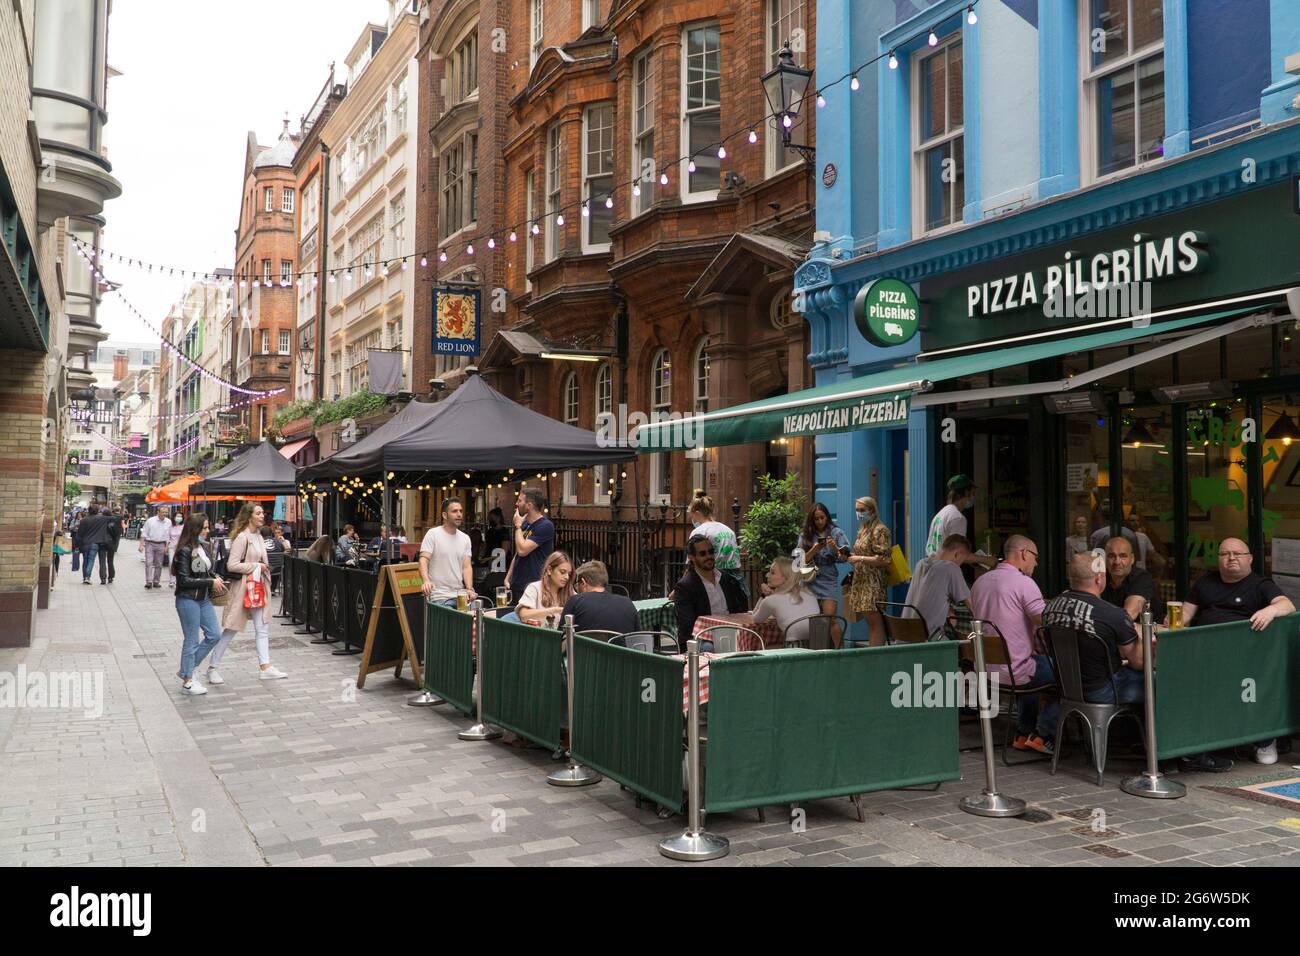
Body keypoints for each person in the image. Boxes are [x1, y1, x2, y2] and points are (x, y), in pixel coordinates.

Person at [1181, 536, 1295, 767]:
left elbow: (1288, 605)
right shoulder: (1205, 582)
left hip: (1247, 659)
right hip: (1206, 658)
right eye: (1225, 554)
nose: (1231, 558)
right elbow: (1183, 617)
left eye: (1237, 554)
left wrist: (1270, 611)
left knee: (1257, 691)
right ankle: (1200, 746)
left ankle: (1265, 741)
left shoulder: (1260, 584)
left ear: (1250, 559)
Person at [969, 535, 1053, 753]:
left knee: (1033, 663)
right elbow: (1045, 621)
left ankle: (1023, 733)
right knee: (1070, 671)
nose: (1036, 563)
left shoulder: (980, 582)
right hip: (1015, 671)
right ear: (1024, 553)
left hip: (986, 670)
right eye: (1035, 557)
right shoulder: (1024, 583)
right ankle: (1043, 734)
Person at [1042, 551, 1142, 710]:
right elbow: (1138, 662)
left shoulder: (1050, 608)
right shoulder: (1112, 614)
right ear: (1099, 578)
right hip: (1102, 691)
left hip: (1065, 688)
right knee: (1157, 681)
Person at [207, 502, 287, 684]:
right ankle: (213, 667)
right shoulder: (242, 538)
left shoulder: (258, 536)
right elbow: (232, 565)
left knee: (262, 627)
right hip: (243, 589)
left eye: (262, 513)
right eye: (258, 513)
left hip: (258, 587)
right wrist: (256, 566)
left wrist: (263, 568)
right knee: (231, 628)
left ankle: (265, 667)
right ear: (249, 516)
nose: (262, 516)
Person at [173, 513, 229, 696]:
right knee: (192, 639)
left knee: (214, 635)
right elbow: (184, 580)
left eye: (207, 527)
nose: (207, 531)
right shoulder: (184, 550)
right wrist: (210, 582)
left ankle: (187, 669)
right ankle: (188, 681)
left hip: (203, 599)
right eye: (204, 528)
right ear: (194, 529)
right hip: (188, 599)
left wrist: (213, 577)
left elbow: (202, 571)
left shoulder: (202, 547)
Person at [673, 533, 747, 649]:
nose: (709, 556)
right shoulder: (685, 587)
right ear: (692, 557)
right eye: (703, 553)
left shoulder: (727, 579)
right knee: (709, 647)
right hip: (703, 637)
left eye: (711, 552)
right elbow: (688, 626)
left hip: (733, 632)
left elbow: (740, 610)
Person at [799, 503, 851, 646]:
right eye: (816, 519)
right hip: (809, 580)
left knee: (831, 618)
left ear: (827, 517)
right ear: (812, 520)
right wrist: (814, 549)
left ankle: (840, 652)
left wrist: (835, 549)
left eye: (823, 518)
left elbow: (845, 557)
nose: (820, 521)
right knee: (811, 619)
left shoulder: (836, 532)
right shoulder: (806, 535)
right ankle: (815, 650)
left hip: (828, 579)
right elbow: (799, 561)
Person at [902, 534, 972, 640]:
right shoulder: (951, 568)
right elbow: (970, 604)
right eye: (961, 562)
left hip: (905, 635)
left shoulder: (921, 564)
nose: (960, 565)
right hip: (930, 639)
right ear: (957, 554)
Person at [845, 496, 891, 647]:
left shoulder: (880, 530)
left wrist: (860, 558)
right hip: (861, 579)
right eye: (857, 510)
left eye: (862, 510)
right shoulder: (863, 530)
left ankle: (876, 654)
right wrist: (850, 557)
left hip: (873, 581)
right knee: (868, 619)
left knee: (874, 619)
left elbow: (884, 559)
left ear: (871, 510)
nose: (859, 513)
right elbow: (861, 553)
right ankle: (872, 652)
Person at [925, 475, 998, 569]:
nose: (973, 498)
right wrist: (986, 560)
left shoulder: (941, 513)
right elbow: (959, 553)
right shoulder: (957, 518)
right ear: (966, 493)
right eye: (973, 493)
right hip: (944, 570)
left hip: (933, 567)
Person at [688, 490, 746, 599]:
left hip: (716, 584)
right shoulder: (728, 530)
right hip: (737, 582)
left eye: (692, 515)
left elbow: (692, 564)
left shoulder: (699, 532)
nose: (692, 519)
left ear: (697, 513)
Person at [752, 556, 821, 645]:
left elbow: (756, 619)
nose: (767, 575)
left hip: (793, 648)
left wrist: (763, 595)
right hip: (818, 646)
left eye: (772, 573)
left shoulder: (771, 600)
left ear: (786, 578)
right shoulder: (810, 593)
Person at [419, 498, 475, 606]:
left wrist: (469, 588)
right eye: (454, 511)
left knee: (477, 617)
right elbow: (423, 560)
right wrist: (426, 581)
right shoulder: (433, 534)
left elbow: (466, 567)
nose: (459, 514)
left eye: (461, 511)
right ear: (444, 515)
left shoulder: (465, 538)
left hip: (460, 595)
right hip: (439, 596)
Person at [561, 560, 638, 636]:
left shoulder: (575, 601)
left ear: (583, 582)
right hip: (621, 648)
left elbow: (561, 637)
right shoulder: (627, 603)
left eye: (577, 585)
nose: (577, 589)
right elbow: (638, 638)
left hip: (585, 648)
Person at [1101, 535, 1164, 624]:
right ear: (1105, 559)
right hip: (1117, 633)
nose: (1117, 562)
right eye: (1111, 556)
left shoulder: (1142, 578)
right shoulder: (1101, 578)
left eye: (1123, 556)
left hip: (1150, 635)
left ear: (1132, 559)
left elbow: (1128, 616)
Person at [506, 488, 554, 595]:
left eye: (519, 501)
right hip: (517, 584)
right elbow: (518, 553)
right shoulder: (525, 524)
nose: (516, 503)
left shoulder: (545, 526)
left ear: (529, 505)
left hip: (534, 585)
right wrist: (508, 577)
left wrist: (518, 526)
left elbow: (523, 550)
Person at [517, 551, 575, 628]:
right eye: (562, 572)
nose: (567, 577)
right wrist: (553, 610)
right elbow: (523, 615)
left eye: (569, 574)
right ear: (549, 570)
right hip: (537, 638)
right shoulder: (534, 588)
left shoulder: (570, 592)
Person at [77, 504, 112, 585]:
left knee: (85, 560)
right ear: (97, 511)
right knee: (91, 560)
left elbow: (79, 534)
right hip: (95, 543)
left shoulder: (83, 520)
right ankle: (87, 577)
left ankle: (85, 577)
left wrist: (78, 544)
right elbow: (115, 518)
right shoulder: (102, 518)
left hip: (85, 543)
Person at [139, 506, 172, 589]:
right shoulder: (150, 521)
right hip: (150, 543)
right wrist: (141, 545)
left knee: (159, 564)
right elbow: (144, 533)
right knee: (149, 563)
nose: (164, 514)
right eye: (163, 512)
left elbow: (168, 535)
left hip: (161, 544)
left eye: (166, 512)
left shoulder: (168, 522)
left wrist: (167, 546)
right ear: (158, 512)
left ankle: (156, 581)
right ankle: (149, 581)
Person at [103, 508, 123, 584]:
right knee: (110, 561)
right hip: (111, 542)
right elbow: (116, 533)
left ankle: (103, 577)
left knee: (102, 561)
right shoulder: (113, 521)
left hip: (102, 542)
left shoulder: (101, 521)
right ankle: (111, 576)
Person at [168, 513, 184, 588]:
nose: (179, 518)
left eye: (180, 516)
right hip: (171, 547)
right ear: (174, 517)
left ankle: (179, 580)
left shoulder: (183, 527)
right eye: (178, 516)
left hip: (180, 547)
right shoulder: (170, 526)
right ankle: (172, 580)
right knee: (171, 562)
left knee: (179, 563)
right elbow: (167, 537)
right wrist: (166, 545)